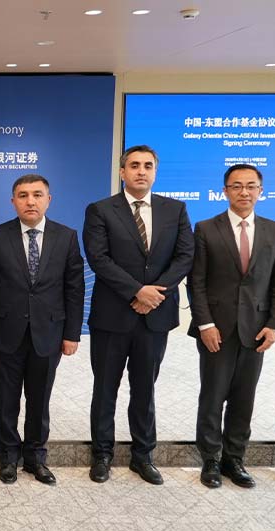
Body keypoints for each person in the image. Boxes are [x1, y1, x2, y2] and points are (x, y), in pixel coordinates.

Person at [83, 145, 194, 485]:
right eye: (134, 165)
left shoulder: (175, 209)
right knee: (105, 388)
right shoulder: (100, 210)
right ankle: (102, 454)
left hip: (155, 315)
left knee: (145, 388)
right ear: (122, 172)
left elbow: (185, 256)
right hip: (112, 315)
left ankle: (143, 455)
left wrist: (154, 294)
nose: (141, 171)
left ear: (155, 172)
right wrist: (136, 291)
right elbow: (99, 258)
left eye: (147, 165)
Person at [187, 164, 275, 489]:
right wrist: (205, 323)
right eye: (236, 186)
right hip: (216, 329)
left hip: (256, 330)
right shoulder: (206, 228)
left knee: (244, 398)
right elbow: (196, 282)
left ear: (261, 191)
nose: (244, 192)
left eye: (250, 186)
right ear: (225, 191)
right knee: (213, 396)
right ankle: (210, 459)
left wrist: (274, 325)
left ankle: (235, 459)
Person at [0, 174, 84, 486]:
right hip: (5, 332)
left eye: (37, 195)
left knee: (40, 399)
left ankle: (36, 457)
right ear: (13, 201)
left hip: (49, 332)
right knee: (6, 398)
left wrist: (72, 334)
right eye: (23, 195)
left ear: (48, 200)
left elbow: (74, 288)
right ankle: (8, 457)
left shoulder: (66, 237)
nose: (30, 201)